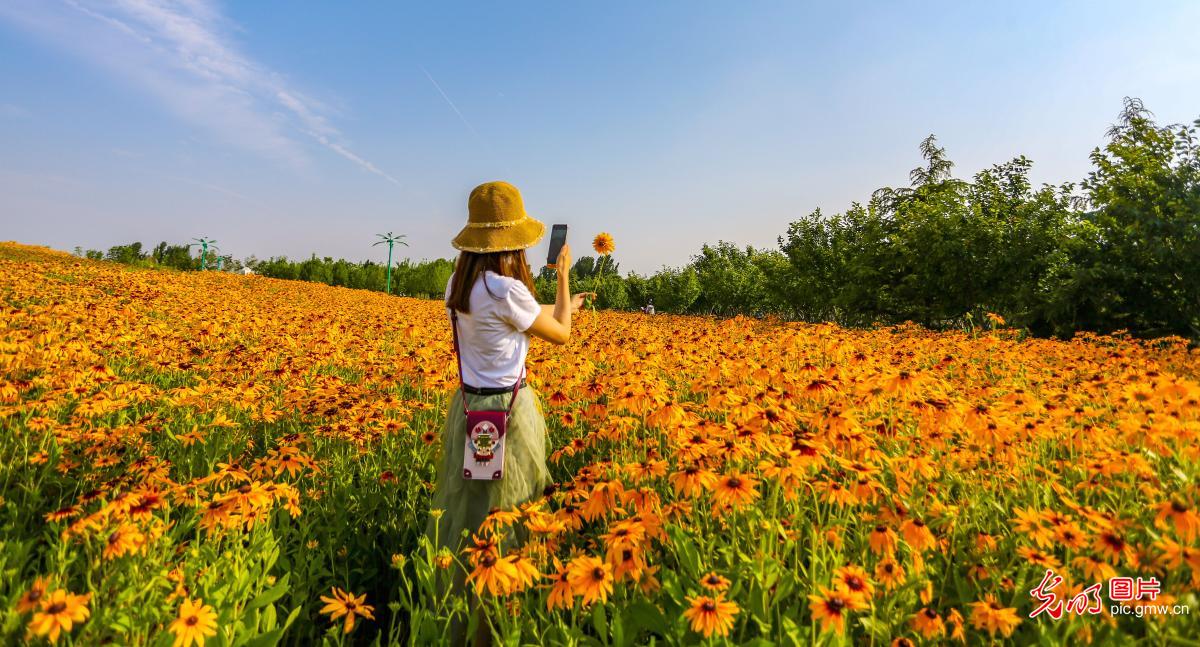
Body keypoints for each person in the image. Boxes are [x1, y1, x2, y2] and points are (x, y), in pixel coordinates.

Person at [424, 181, 589, 643]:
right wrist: (562, 277)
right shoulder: (508, 289)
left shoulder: (460, 285)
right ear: (513, 244)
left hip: (470, 408)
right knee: (510, 517)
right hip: (509, 413)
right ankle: (497, 624)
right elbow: (560, 335)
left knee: (472, 518)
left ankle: (463, 617)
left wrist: (561, 308)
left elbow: (519, 322)